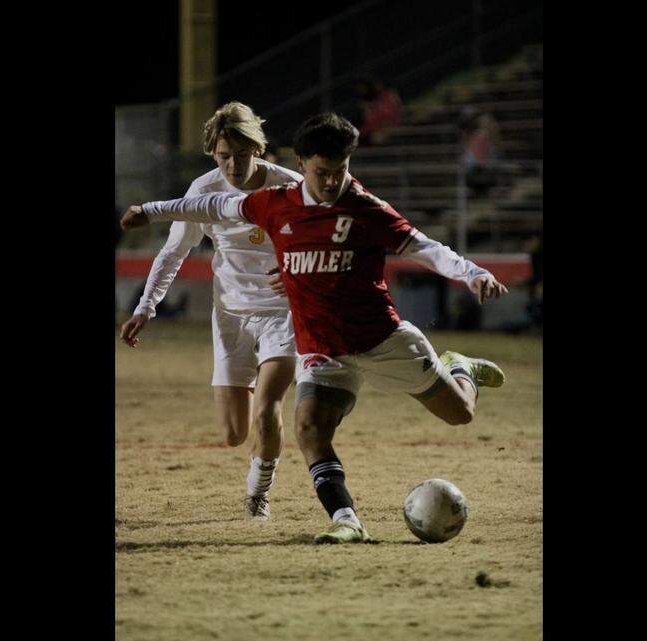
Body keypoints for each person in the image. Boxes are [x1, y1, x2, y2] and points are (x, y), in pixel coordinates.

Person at [120, 113, 508, 544]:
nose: (330, 182)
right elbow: (212, 206)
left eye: (339, 171)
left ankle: (459, 369)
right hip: (322, 348)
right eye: (322, 172)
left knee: (460, 415)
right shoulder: (276, 203)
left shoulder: (364, 207)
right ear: (302, 164)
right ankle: (346, 519)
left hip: (380, 339)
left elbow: (424, 248)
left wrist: (471, 272)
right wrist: (150, 211)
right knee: (308, 429)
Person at [118, 102, 303, 520]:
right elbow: (174, 251)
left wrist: (296, 273)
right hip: (230, 315)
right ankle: (254, 411)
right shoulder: (203, 191)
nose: (233, 166)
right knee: (233, 434)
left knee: (268, 406)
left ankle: (259, 492)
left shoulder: (288, 187)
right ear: (213, 154)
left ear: (258, 148)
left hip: (281, 312)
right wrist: (146, 307)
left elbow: (321, 239)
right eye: (224, 157)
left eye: (241, 155)